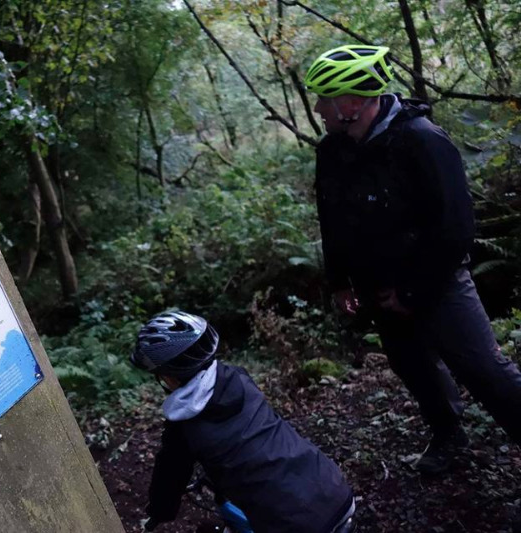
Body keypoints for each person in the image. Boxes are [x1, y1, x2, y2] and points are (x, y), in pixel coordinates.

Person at [304, 45, 521, 477]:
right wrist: (340, 281)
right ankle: (449, 436)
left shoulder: (422, 141)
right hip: (376, 284)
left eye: (324, 99)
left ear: (351, 102)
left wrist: (413, 292)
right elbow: (331, 216)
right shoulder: (334, 150)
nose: (317, 108)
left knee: (483, 369)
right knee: (413, 366)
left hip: (435, 281)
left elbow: (455, 229)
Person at [130, 310, 356, 533]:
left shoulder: (183, 428)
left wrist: (160, 512)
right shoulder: (238, 376)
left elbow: (168, 481)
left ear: (170, 376)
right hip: (332, 487)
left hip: (296, 524)